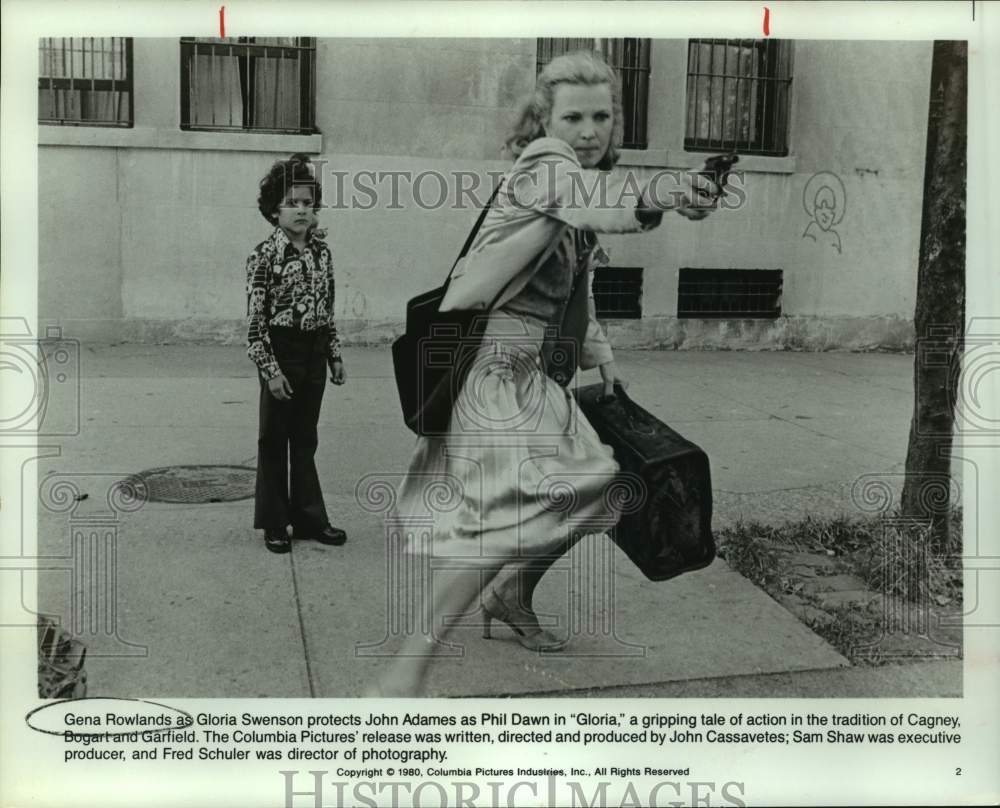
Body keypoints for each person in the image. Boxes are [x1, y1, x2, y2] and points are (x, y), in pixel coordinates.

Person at [375, 52, 718, 695]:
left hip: (540, 375)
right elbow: (595, 201)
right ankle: (408, 666)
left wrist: (603, 360)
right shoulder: (544, 168)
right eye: (573, 118)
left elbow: (575, 289)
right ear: (545, 121)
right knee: (503, 513)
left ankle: (512, 593)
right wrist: (667, 192)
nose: (589, 131)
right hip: (495, 368)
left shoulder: (585, 182)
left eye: (602, 117)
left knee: (602, 494)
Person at [246, 153, 348, 554]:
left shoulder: (323, 253)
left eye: (308, 203)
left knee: (305, 438)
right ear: (274, 210)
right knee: (275, 439)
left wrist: (334, 354)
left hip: (314, 351)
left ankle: (309, 518)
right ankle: (275, 522)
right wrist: (270, 370)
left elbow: (328, 309)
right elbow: (255, 324)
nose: (302, 210)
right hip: (280, 350)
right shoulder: (264, 256)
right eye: (293, 202)